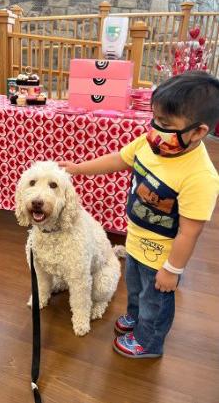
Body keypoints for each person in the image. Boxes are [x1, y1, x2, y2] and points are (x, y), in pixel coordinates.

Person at [59, 71, 219, 358]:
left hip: (161, 258)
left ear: (198, 132)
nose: (156, 128)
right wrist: (79, 168)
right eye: (155, 119)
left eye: (166, 124)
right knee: (135, 289)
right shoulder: (149, 144)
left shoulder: (200, 176)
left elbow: (189, 231)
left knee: (154, 301)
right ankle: (135, 318)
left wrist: (172, 270)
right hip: (135, 240)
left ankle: (149, 341)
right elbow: (118, 159)